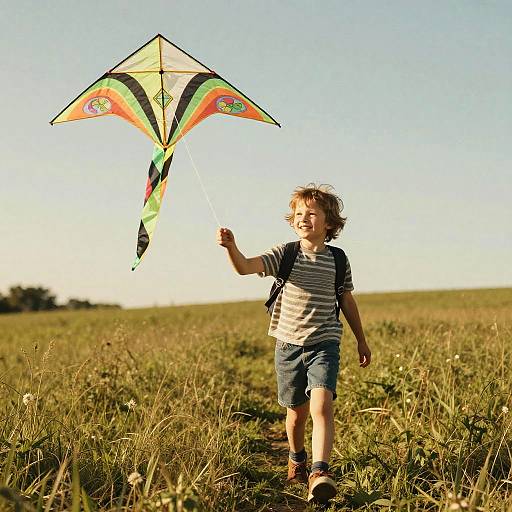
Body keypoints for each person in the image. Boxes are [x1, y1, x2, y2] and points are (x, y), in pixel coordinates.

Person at [216, 183, 371, 504]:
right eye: (299, 213)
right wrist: (231, 246)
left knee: (321, 406)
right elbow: (245, 267)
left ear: (329, 223)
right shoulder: (284, 254)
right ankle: (297, 457)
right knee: (296, 415)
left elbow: (346, 299)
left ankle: (319, 471)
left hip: (324, 343)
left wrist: (361, 340)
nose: (304, 218)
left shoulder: (339, 260)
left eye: (312, 213)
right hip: (288, 345)